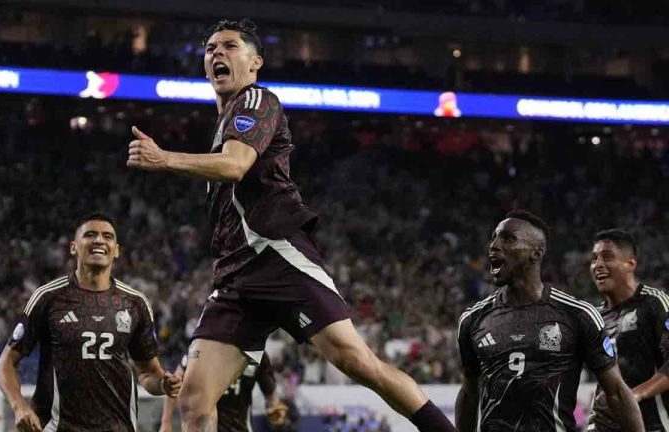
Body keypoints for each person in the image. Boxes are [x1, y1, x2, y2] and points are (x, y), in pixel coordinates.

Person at [126, 17, 456, 432]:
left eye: (229, 46)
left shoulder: (255, 102)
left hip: (275, 255)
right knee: (195, 398)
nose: (216, 54)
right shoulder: (224, 121)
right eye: (210, 49)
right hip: (235, 278)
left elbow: (235, 165)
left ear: (256, 61)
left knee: (356, 362)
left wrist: (165, 158)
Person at [456, 210, 644, 431]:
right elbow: (469, 395)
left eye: (508, 239)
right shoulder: (473, 319)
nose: (494, 246)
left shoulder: (577, 315)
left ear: (536, 253)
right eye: (494, 237)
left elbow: (617, 393)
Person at [0, 212, 181, 432]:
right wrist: (19, 407)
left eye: (107, 236)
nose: (99, 240)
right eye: (90, 235)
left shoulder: (135, 302)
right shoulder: (48, 297)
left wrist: (163, 384)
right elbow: (6, 363)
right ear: (74, 247)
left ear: (117, 250)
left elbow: (148, 373)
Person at [588, 229, 669, 431]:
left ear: (630, 264)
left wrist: (634, 395)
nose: (598, 265)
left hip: (654, 424)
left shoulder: (655, 303)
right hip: (607, 423)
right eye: (594, 258)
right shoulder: (594, 318)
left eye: (607, 257)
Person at [159, 352, 287, 432]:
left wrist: (276, 409)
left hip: (240, 428)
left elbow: (272, 398)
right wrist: (166, 423)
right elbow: (174, 384)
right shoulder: (202, 348)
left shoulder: (258, 355)